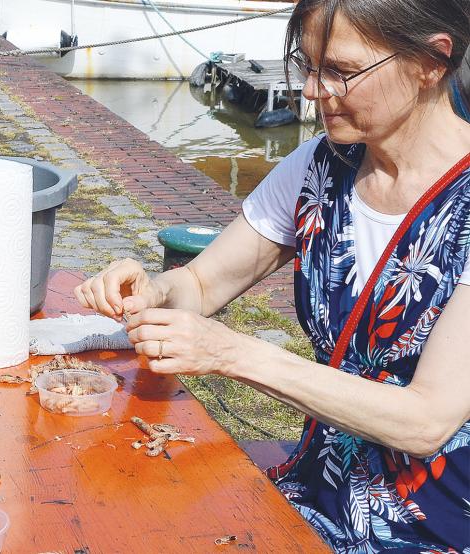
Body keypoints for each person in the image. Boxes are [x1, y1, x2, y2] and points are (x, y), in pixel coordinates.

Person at [75, 0, 470, 551]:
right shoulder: (320, 166)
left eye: (340, 71)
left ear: (431, 60)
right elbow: (206, 284)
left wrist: (231, 354)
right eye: (306, 65)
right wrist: (155, 289)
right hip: (316, 493)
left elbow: (426, 421)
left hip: (432, 525)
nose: (311, 91)